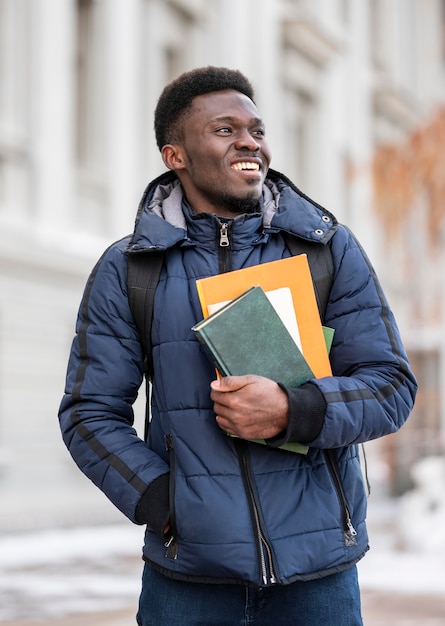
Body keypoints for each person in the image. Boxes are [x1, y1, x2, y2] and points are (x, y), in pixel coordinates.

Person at [58, 66, 417, 625]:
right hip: (187, 581)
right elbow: (89, 413)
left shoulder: (325, 250)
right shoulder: (129, 269)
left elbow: (391, 386)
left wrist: (293, 409)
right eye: (225, 130)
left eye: (256, 129)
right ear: (174, 155)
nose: (250, 141)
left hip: (318, 577)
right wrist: (162, 501)